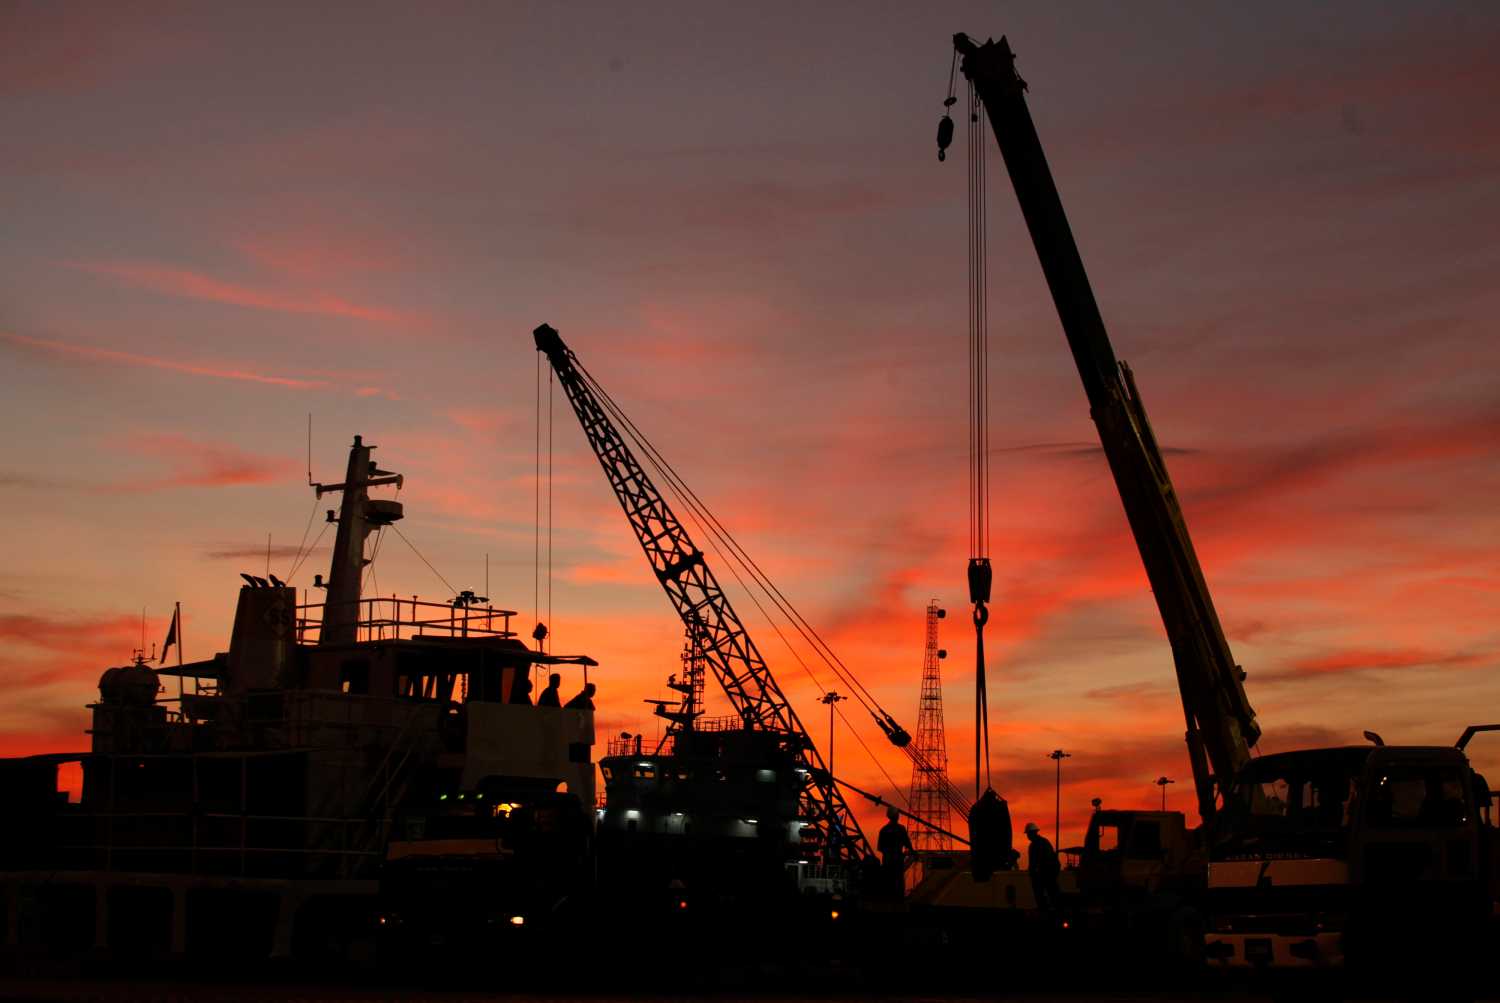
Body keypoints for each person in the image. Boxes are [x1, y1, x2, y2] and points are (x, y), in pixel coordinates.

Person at [877, 806, 913, 899]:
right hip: (897, 861)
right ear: (897, 816)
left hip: (887, 861)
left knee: (888, 882)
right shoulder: (901, 829)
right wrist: (912, 852)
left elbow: (880, 848)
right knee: (898, 883)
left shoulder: (883, 830)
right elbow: (907, 843)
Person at [1024, 821, 1060, 911]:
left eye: (1028, 834)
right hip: (1049, 872)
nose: (1027, 836)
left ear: (1032, 833)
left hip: (1045, 873)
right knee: (1052, 892)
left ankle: (1045, 909)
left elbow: (1034, 862)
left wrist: (1033, 872)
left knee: (1042, 893)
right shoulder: (1044, 842)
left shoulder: (1035, 845)